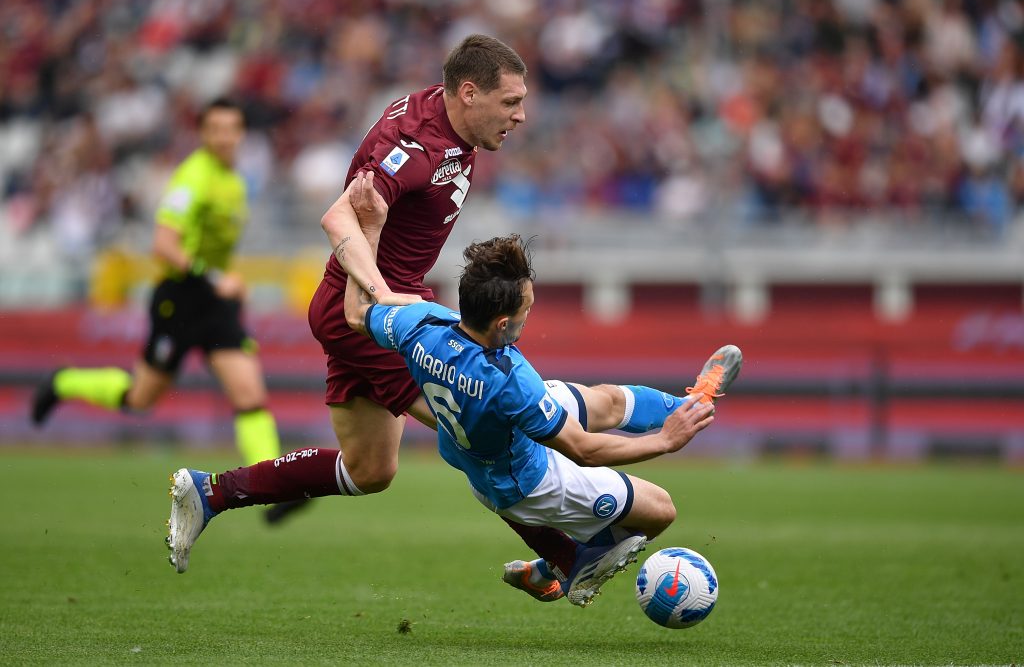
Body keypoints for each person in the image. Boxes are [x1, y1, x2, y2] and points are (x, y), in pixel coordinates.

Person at [164, 34, 738, 580]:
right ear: (470, 93)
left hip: (377, 310)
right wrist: (382, 292)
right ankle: (570, 555)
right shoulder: (415, 148)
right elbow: (339, 216)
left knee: (370, 470)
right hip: (371, 317)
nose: (519, 116)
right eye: (510, 103)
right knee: (480, 425)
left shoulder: (444, 122)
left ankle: (211, 491)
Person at [166, 234, 742, 606]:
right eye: (526, 310)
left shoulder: (424, 325)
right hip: (527, 478)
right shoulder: (510, 382)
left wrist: (358, 233)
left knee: (606, 401)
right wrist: (666, 443)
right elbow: (584, 450)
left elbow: (355, 313)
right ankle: (577, 560)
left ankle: (692, 400)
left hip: (475, 439)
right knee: (660, 509)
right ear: (501, 325)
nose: (529, 315)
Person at [31, 98, 293, 520]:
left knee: (250, 395)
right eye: (216, 129)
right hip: (180, 300)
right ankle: (64, 381)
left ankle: (276, 485)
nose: (225, 136)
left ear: (242, 134)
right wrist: (216, 278)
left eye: (232, 128)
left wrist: (222, 284)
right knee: (141, 398)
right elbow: (163, 244)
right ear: (204, 134)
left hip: (216, 304)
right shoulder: (193, 178)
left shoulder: (236, 180)